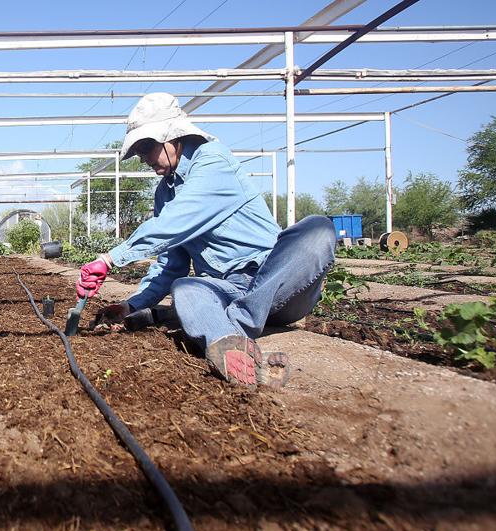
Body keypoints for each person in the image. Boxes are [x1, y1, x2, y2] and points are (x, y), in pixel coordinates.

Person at [76, 92, 336, 388]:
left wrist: (109, 259)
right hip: (226, 288)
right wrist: (130, 306)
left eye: (147, 147)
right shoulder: (165, 193)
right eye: (139, 152)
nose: (144, 158)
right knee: (185, 287)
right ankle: (232, 345)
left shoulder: (213, 161)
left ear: (173, 137)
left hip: (276, 283)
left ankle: (223, 319)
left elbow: (177, 221)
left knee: (317, 230)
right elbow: (169, 266)